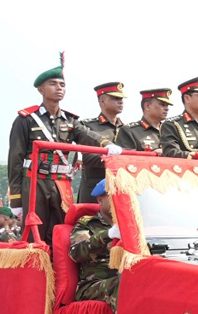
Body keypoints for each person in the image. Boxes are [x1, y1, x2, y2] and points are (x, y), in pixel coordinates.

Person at [7, 54, 121, 245]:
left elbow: (86, 135)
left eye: (62, 85)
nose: (59, 88)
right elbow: (15, 160)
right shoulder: (26, 119)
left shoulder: (69, 120)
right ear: (41, 89)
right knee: (36, 233)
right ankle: (36, 273)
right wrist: (16, 200)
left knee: (63, 229)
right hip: (36, 181)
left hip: (61, 183)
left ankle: (59, 272)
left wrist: (106, 144)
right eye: (53, 84)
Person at [70, 179, 121, 314]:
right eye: (114, 196)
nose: (119, 200)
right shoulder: (87, 224)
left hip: (124, 275)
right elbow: (77, 252)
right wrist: (108, 235)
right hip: (93, 285)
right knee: (123, 285)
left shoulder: (132, 224)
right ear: (100, 200)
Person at [78, 82, 126, 202]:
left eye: (121, 99)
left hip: (121, 189)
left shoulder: (127, 129)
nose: (120, 102)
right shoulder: (87, 126)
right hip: (95, 191)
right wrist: (116, 159)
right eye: (115, 98)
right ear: (102, 101)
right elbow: (87, 158)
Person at [115, 88, 172, 153]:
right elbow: (125, 158)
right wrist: (151, 154)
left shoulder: (170, 130)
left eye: (167, 106)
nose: (167, 109)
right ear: (147, 106)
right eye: (162, 104)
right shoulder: (130, 131)